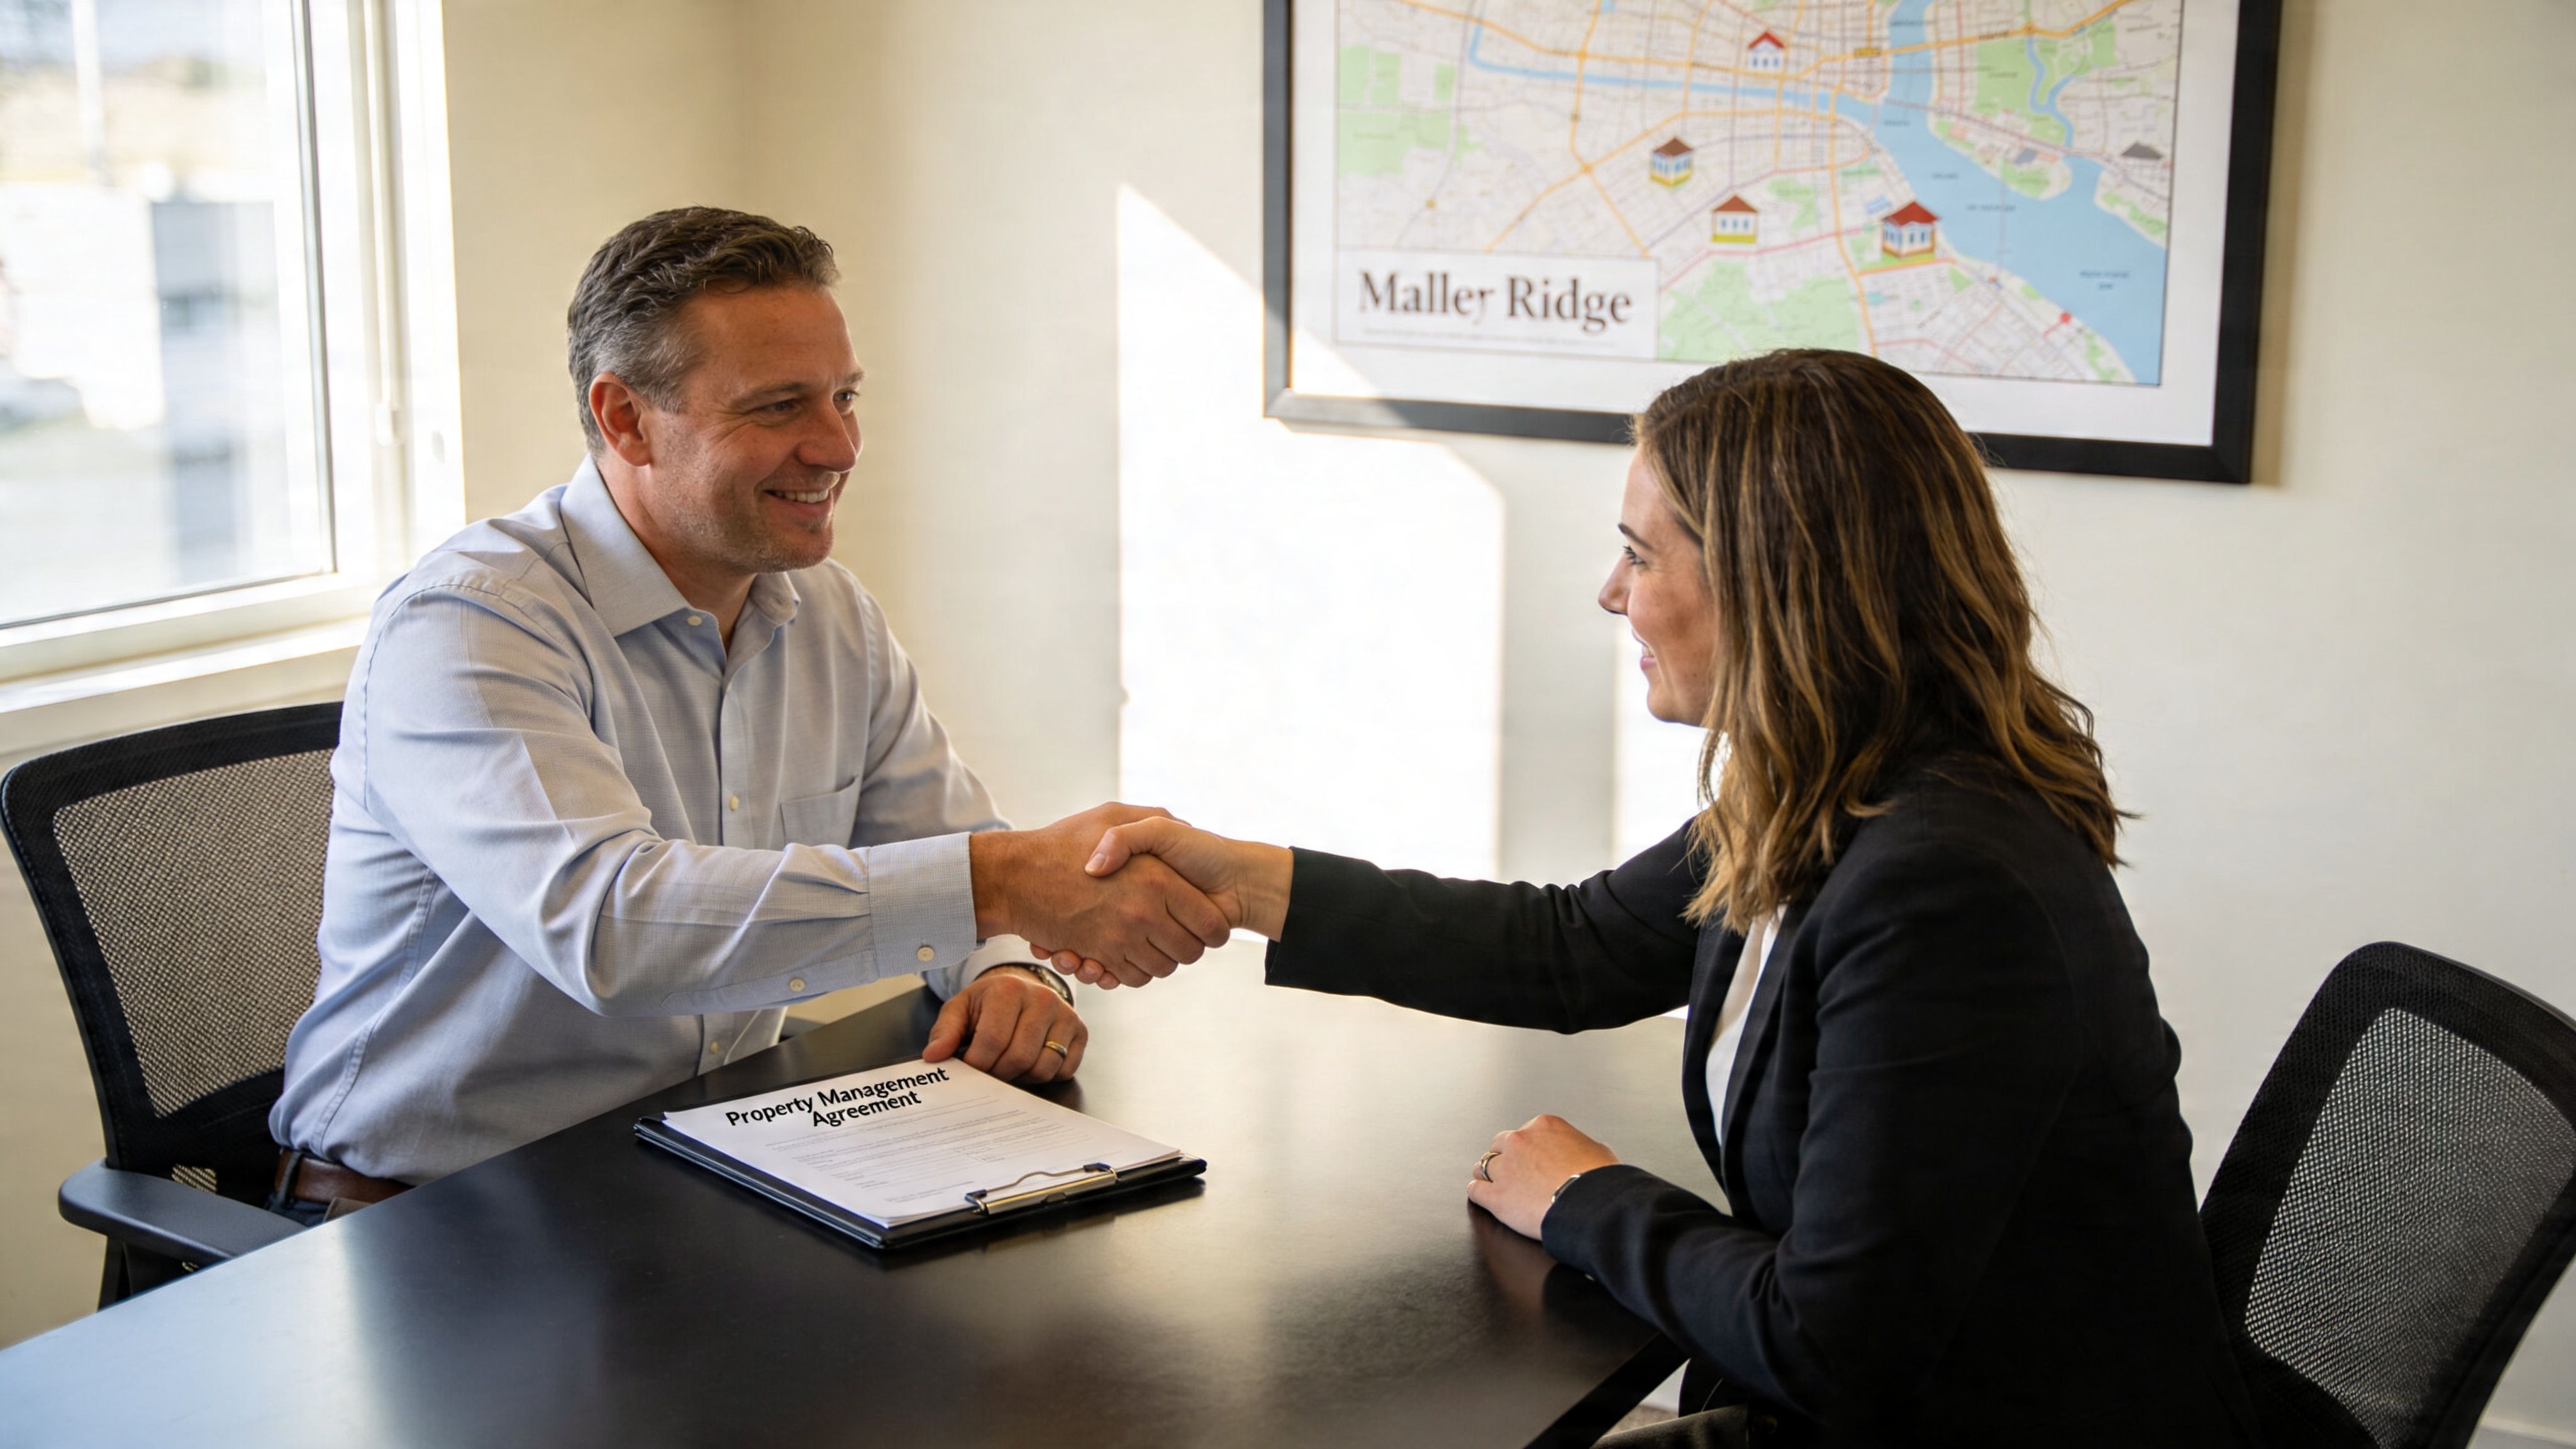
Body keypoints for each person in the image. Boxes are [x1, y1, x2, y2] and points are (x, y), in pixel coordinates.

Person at [1053, 352, 2262, 1446]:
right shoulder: (1840, 786)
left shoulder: (1946, 882)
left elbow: (1832, 1344)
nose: (1610, 593)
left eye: (1641, 552)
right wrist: (1242, 875)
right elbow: (1571, 948)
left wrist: (1587, 1199)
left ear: (1774, 579)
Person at [269, 208, 1226, 1217]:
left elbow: (952, 849)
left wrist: (1010, 974)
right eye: (778, 408)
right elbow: (613, 926)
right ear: (626, 419)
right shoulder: (471, 623)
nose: (840, 444)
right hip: (425, 1222)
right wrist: (1002, 886)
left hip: (690, 1173)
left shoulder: (829, 615)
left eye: (845, 396)